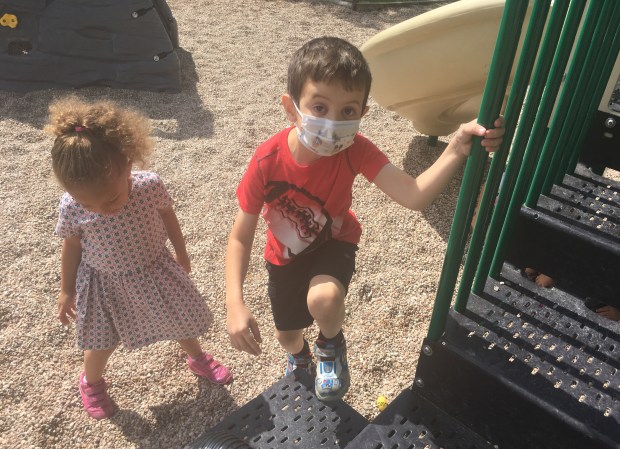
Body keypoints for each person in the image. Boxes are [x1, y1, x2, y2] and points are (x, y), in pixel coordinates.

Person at [225, 37, 504, 401]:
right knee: (287, 335)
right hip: (284, 257)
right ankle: (300, 356)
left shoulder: (355, 149)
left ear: (362, 115)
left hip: (334, 241)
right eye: (319, 107)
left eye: (347, 111)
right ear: (291, 109)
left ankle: (330, 346)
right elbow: (240, 236)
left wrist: (456, 146)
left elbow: (413, 193)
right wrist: (234, 302)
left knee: (323, 299)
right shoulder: (267, 161)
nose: (332, 123)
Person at [49, 97, 232, 420]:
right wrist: (66, 289)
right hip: (104, 283)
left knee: (178, 317)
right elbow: (72, 246)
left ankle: (197, 358)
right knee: (102, 341)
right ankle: (91, 382)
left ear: (129, 165)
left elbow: (168, 216)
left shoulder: (149, 186)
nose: (102, 210)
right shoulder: (71, 206)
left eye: (111, 198)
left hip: (153, 269)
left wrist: (181, 251)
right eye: (89, 205)